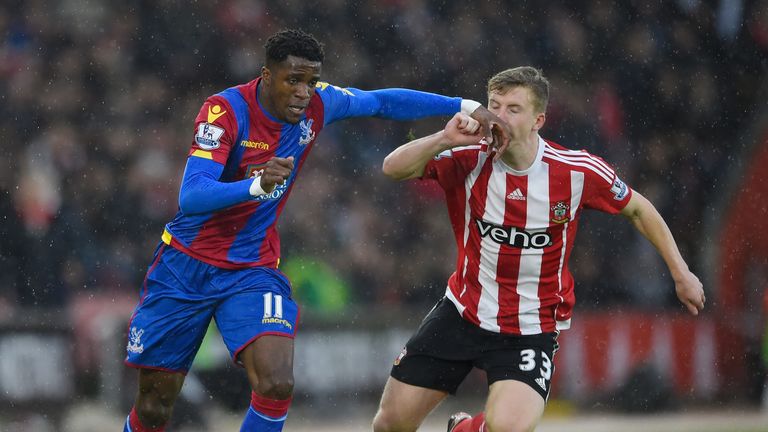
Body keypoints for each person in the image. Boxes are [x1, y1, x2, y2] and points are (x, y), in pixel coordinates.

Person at [122, 29, 511, 432]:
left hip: (250, 269)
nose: (304, 92)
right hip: (184, 267)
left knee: (276, 384)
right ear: (266, 76)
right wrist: (255, 186)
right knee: (154, 407)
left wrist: (466, 105)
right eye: (293, 80)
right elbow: (192, 195)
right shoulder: (225, 111)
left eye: (310, 81)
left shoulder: (320, 103)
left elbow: (380, 102)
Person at [371, 66, 706, 432]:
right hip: (462, 313)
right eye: (494, 105)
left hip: (529, 327)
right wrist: (443, 139)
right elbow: (393, 168)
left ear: (538, 120)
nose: (498, 116)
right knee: (390, 425)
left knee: (509, 429)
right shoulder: (468, 157)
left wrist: (681, 272)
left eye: (513, 109)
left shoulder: (576, 170)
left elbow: (639, 208)